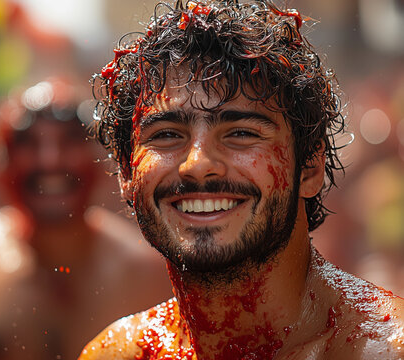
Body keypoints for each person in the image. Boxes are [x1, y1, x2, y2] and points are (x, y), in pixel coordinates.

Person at [79, 1, 404, 359]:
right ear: (126, 173)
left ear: (309, 168)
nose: (198, 164)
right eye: (167, 135)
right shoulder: (120, 353)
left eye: (241, 133)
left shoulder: (385, 348)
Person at [0, 77, 171, 359]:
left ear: (103, 160)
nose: (50, 161)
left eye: (69, 141)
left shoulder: (151, 272)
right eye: (29, 143)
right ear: (1, 163)